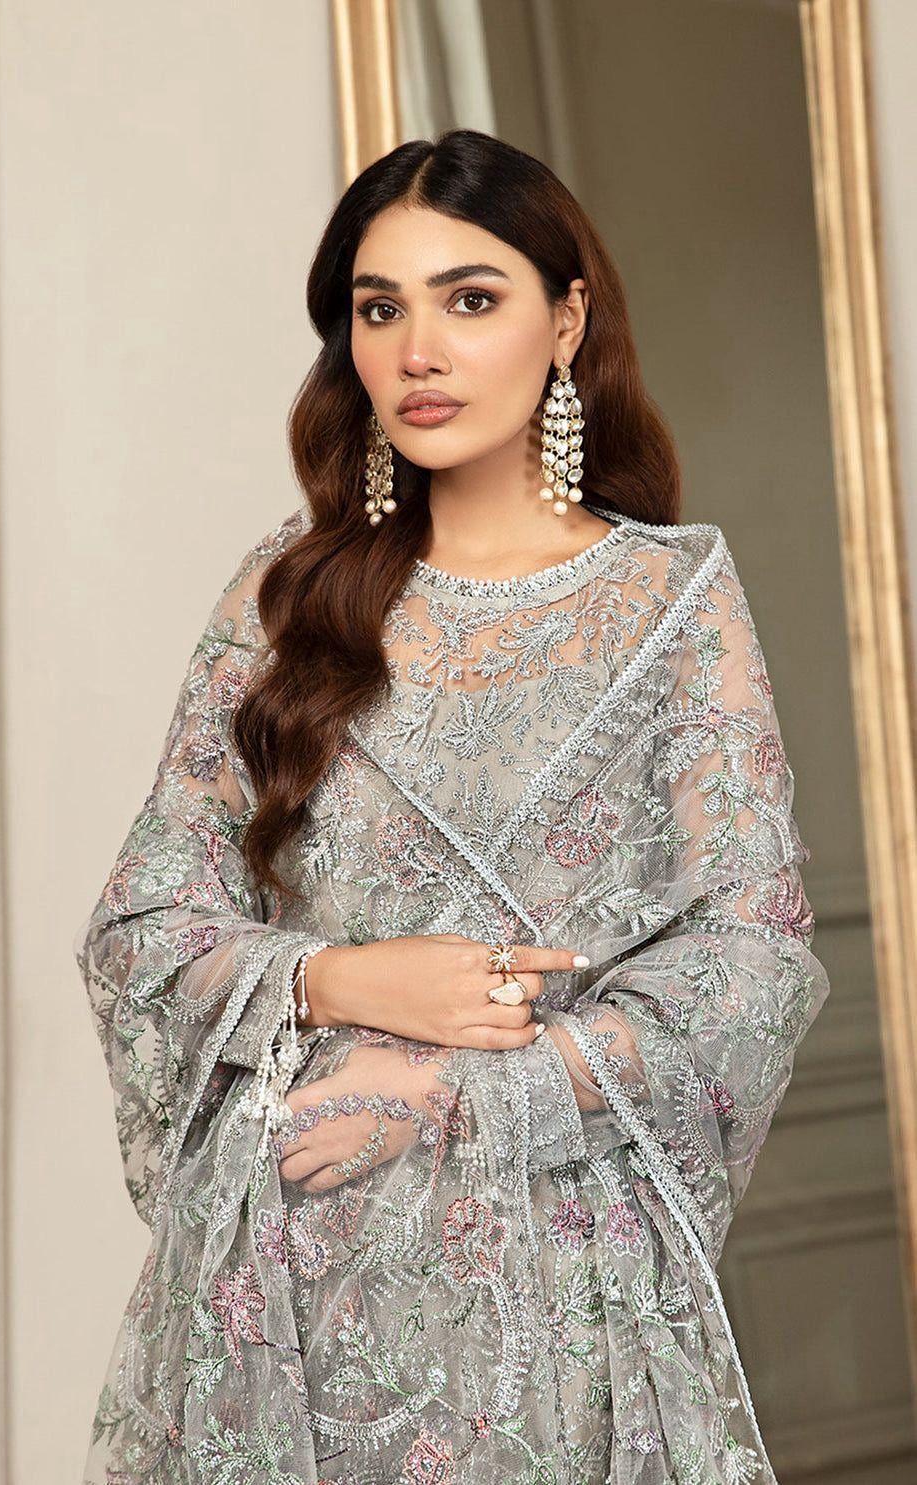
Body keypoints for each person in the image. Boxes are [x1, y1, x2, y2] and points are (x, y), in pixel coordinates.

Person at [74, 128, 829, 1485]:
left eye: (468, 297)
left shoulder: (664, 604)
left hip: (539, 1298)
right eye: (380, 307)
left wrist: (453, 1090)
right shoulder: (283, 599)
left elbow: (750, 954)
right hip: (273, 1295)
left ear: (564, 319)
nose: (416, 348)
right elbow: (140, 923)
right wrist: (351, 979)